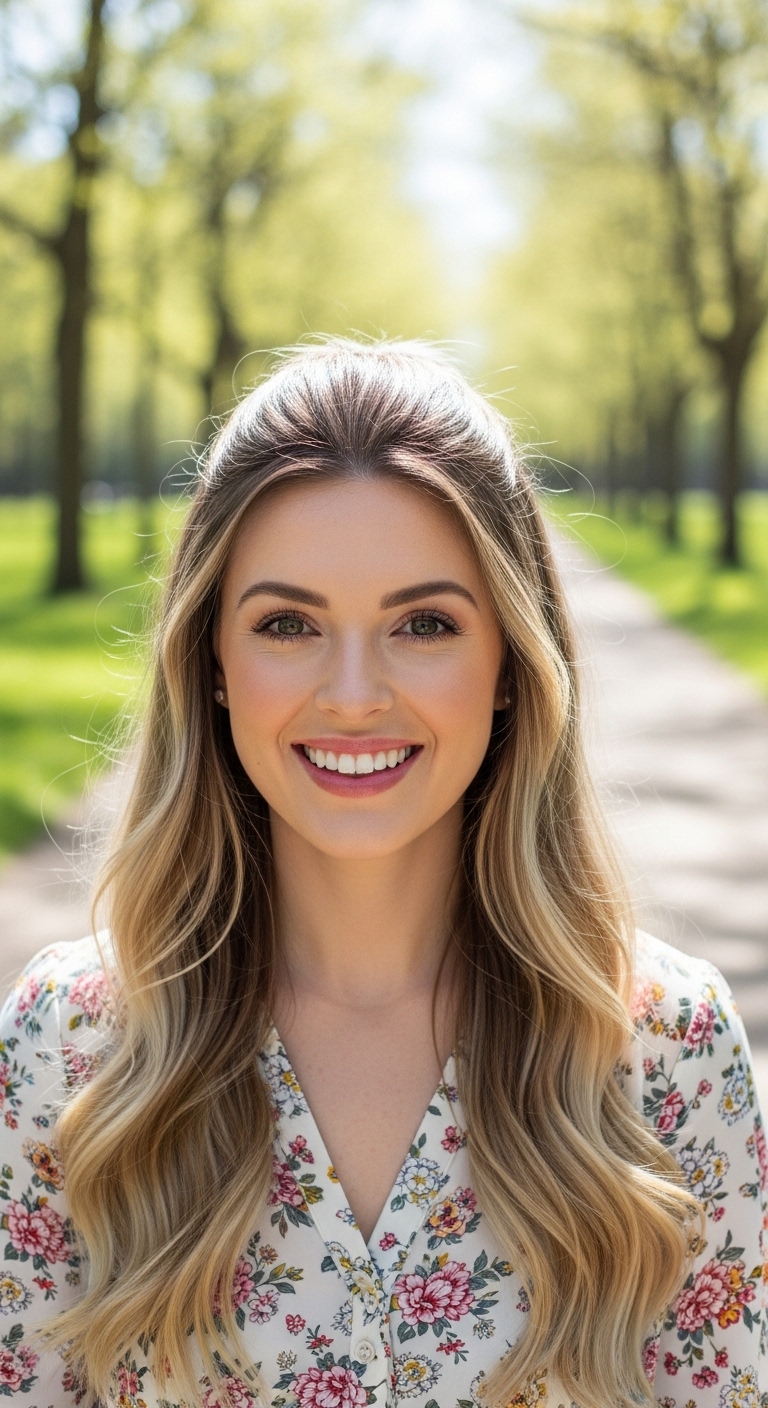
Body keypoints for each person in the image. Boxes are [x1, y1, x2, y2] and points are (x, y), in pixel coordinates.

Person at [0, 340, 764, 1408]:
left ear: (509, 663)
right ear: (211, 663)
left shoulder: (666, 1050)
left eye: (423, 624)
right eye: (287, 624)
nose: (353, 693)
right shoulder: (73, 1047)